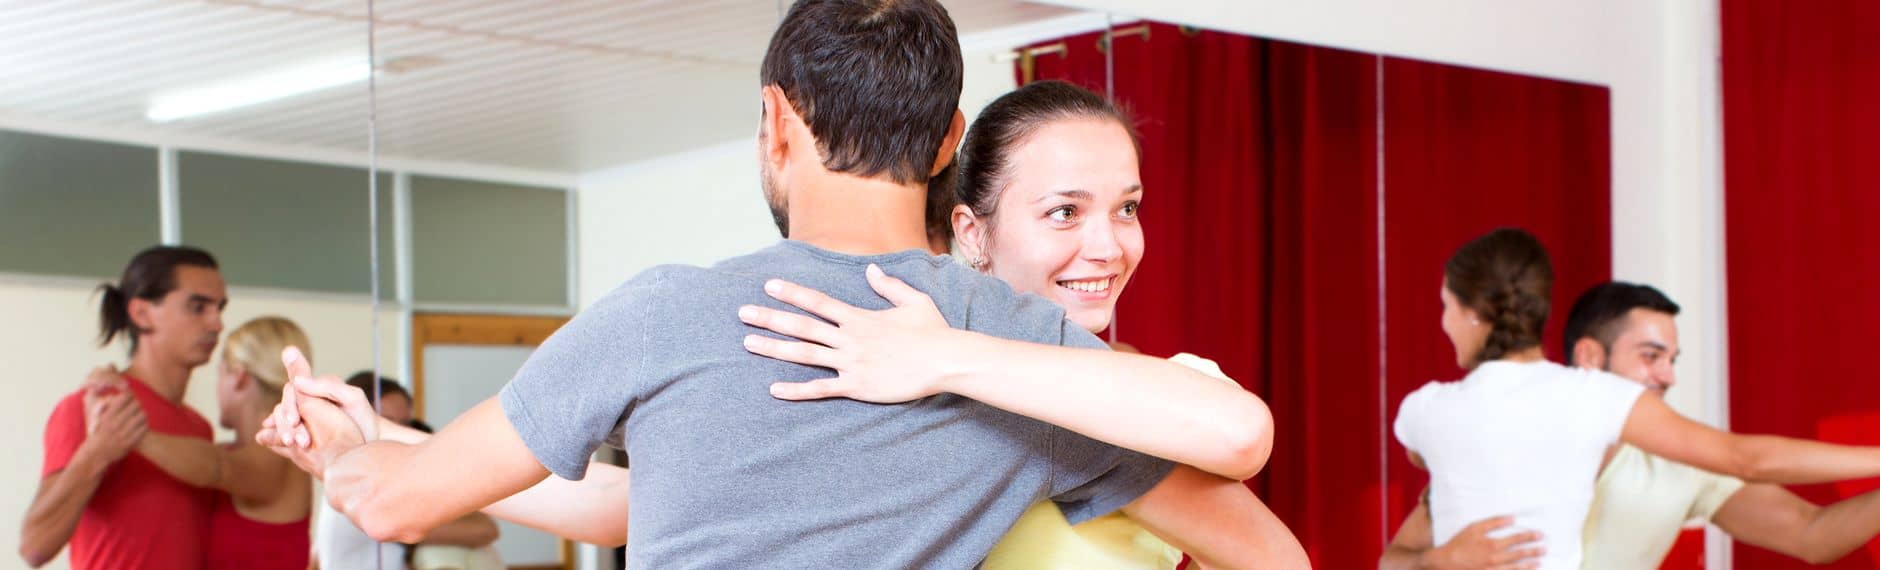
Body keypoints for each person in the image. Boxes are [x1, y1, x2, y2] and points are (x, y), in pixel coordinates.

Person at [260, 1, 1307, 567]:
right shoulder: (1032, 364)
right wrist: (389, 435)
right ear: (948, 142)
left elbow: (391, 508)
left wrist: (355, 451)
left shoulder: (662, 311)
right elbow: (1268, 546)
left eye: (1119, 208)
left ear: (774, 123)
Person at [736, 79, 1279, 567]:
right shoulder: (906, 386)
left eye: (1127, 209)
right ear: (972, 233)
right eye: (1064, 212)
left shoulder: (1177, 394)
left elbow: (1265, 536)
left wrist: (945, 356)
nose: (1110, 246)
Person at [1387, 228, 1880, 570]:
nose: (1668, 376)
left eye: (1673, 360)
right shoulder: (1491, 435)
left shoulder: (1675, 462)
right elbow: (1396, 563)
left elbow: (1812, 533)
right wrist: (1441, 562)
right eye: (1651, 356)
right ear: (1592, 361)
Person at [20, 246, 227, 569]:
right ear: (141, 313)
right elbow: (34, 547)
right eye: (198, 307)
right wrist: (98, 451)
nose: (217, 324)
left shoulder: (199, 427)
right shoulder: (90, 408)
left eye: (219, 308)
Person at [81, 316, 316, 570]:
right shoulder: (231, 452)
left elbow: (217, 467)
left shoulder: (283, 449)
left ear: (238, 377)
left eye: (220, 374)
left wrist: (130, 432)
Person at [309, 374, 501, 570]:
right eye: (386, 422)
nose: (396, 433)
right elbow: (483, 530)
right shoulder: (360, 489)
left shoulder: (355, 485)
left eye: (404, 423)